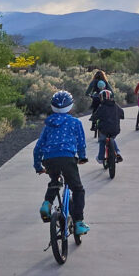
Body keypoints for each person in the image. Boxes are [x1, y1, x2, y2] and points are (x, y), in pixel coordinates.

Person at [34, 90, 90, 235]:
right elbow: (81, 143)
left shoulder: (48, 125)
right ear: (70, 107)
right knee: (78, 189)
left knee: (55, 181)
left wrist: (38, 165)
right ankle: (78, 222)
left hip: (50, 159)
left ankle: (47, 204)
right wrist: (82, 157)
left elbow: (38, 147)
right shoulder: (75, 122)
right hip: (67, 158)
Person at [90, 89, 124, 164]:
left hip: (104, 130)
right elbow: (122, 113)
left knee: (102, 141)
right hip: (115, 129)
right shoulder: (116, 105)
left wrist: (92, 119)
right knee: (112, 138)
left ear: (101, 98)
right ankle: (117, 152)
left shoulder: (101, 107)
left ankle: (101, 158)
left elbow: (95, 116)